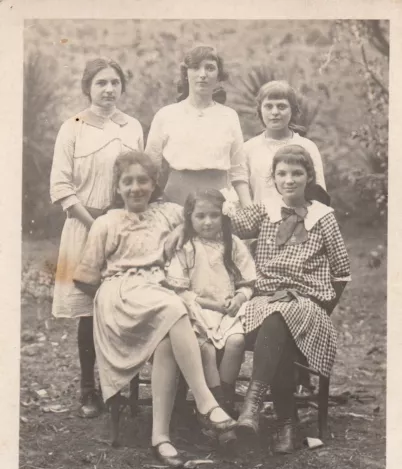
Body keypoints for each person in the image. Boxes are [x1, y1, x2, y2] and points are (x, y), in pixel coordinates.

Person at [73, 151, 237, 468]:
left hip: (161, 295)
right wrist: (117, 295)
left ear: (154, 183)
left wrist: (185, 231)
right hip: (120, 295)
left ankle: (159, 438)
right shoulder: (106, 222)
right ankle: (206, 401)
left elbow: (210, 219)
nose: (136, 188)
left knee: (166, 343)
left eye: (143, 180)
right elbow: (84, 277)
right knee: (174, 305)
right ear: (117, 187)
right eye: (128, 181)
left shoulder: (170, 213)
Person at [228, 145, 350, 454]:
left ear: (309, 176)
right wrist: (220, 204)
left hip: (306, 304)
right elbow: (229, 225)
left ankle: (252, 407)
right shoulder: (265, 209)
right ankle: (285, 421)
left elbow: (341, 272)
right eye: (282, 173)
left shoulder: (323, 217)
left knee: (282, 314)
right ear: (273, 178)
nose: (289, 179)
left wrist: (321, 309)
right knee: (275, 318)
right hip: (263, 302)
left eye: (297, 173)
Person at [50, 57, 144, 419]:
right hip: (84, 223)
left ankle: (115, 386)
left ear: (122, 87)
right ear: (87, 87)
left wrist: (123, 222)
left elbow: (139, 177)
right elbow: (61, 185)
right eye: (101, 83)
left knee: (119, 308)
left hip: (122, 225)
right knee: (89, 313)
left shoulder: (132, 126)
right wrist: (95, 225)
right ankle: (88, 388)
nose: (109, 89)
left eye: (115, 83)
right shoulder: (72, 127)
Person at [165, 189, 256, 428]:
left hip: (229, 312)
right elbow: (179, 290)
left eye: (214, 215)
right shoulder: (185, 247)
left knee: (236, 341)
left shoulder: (233, 244)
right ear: (190, 218)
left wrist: (239, 298)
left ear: (223, 217)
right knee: (205, 348)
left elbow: (248, 283)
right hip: (198, 311)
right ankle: (215, 404)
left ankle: (224, 398)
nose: (207, 222)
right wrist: (210, 304)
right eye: (201, 216)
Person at [145, 45, 252, 208]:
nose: (202, 74)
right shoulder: (166, 115)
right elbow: (150, 168)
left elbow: (238, 172)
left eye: (210, 68)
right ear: (186, 74)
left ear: (218, 76)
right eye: (195, 68)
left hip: (219, 203)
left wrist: (249, 210)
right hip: (177, 201)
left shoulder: (229, 116)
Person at [243, 80, 327, 206]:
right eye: (268, 106)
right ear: (260, 110)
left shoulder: (307, 146)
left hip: (301, 222)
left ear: (292, 110)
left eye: (281, 106)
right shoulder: (248, 149)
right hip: (261, 222)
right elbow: (243, 196)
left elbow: (319, 193)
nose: (275, 112)